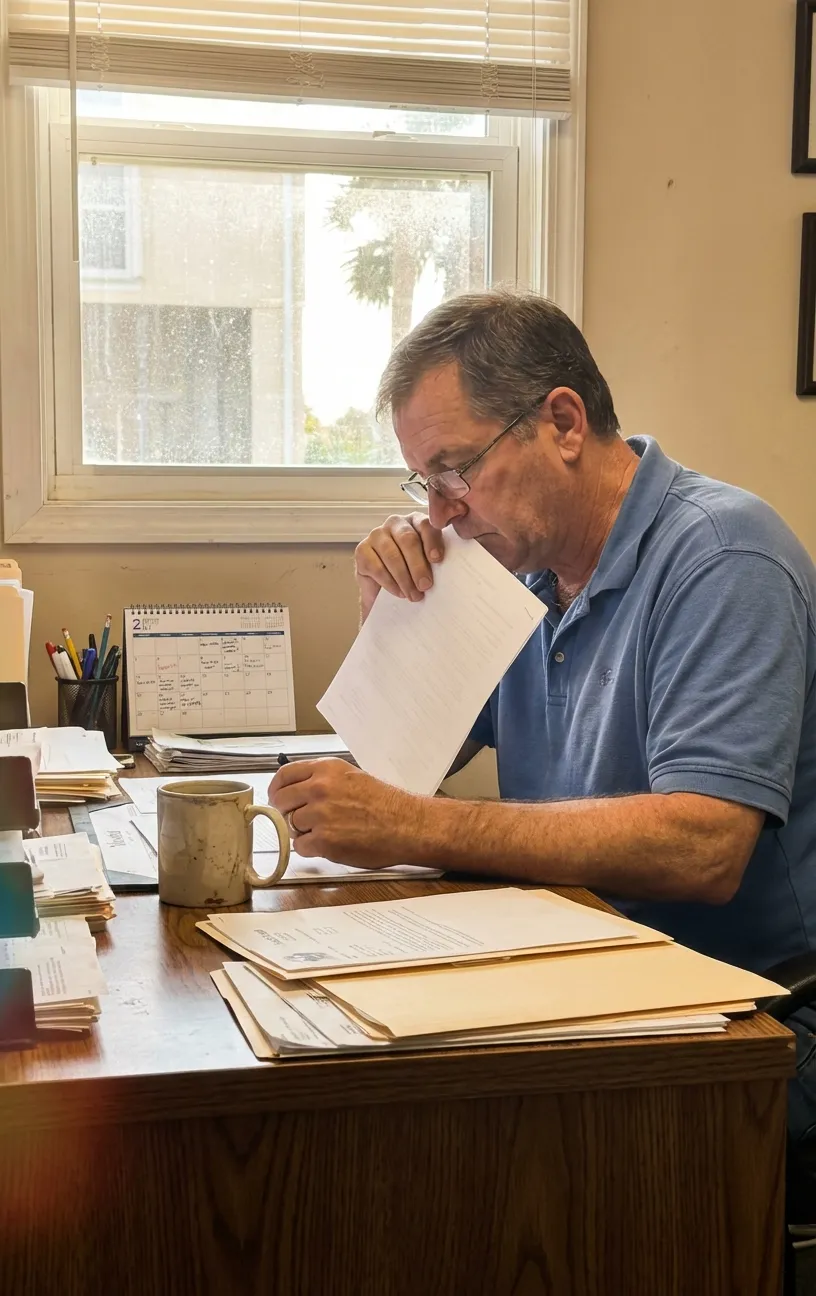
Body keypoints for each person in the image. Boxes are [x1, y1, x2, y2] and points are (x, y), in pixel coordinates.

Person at [269, 288, 816, 979]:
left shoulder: (725, 558)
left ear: (563, 423)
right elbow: (390, 776)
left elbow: (702, 849)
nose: (439, 514)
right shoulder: (519, 568)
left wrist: (418, 826)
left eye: (457, 470)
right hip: (573, 957)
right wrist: (390, 616)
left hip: (744, 1011)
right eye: (424, 482)